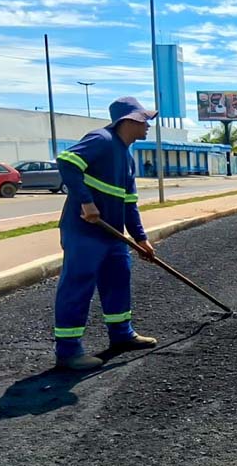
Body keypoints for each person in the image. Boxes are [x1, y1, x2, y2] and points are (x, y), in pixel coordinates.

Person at [53, 97, 159, 370]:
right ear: (129, 120)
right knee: (78, 286)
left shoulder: (127, 157)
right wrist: (86, 202)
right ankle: (68, 351)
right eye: (144, 120)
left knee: (118, 280)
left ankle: (122, 335)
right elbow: (66, 162)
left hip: (112, 235)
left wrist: (141, 239)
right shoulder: (101, 139)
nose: (148, 126)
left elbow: (128, 203)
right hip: (85, 232)